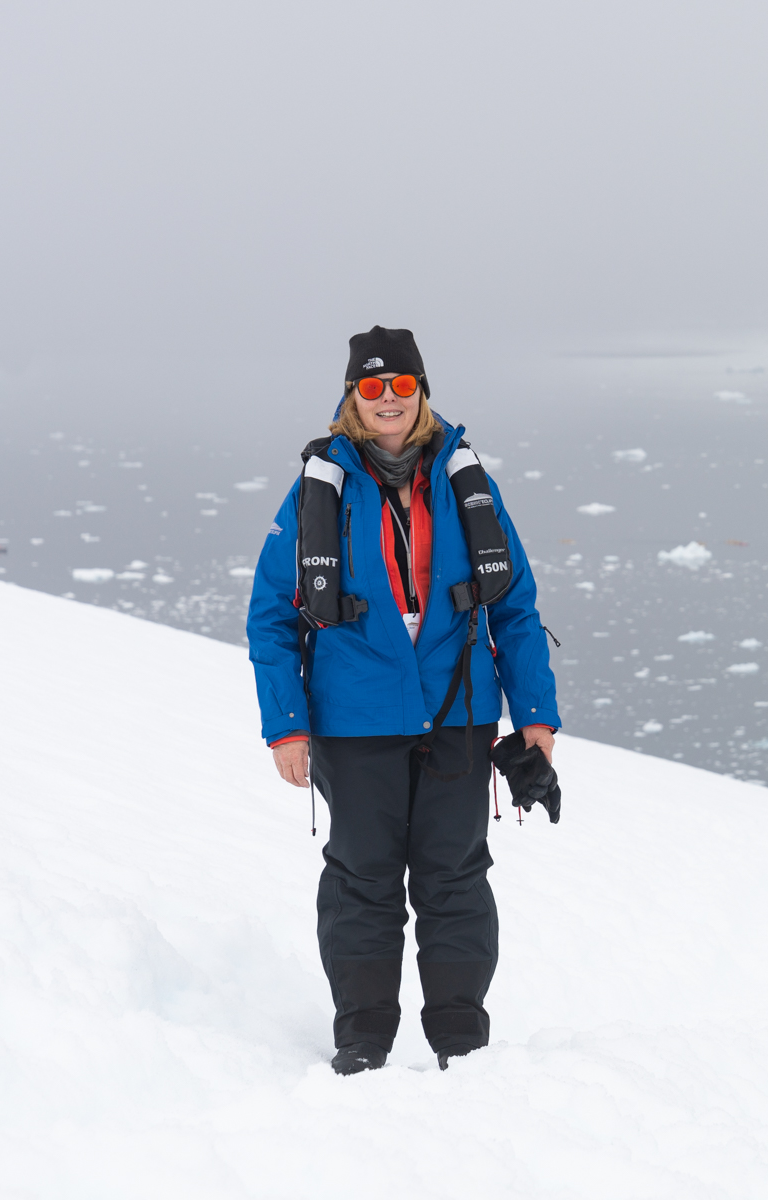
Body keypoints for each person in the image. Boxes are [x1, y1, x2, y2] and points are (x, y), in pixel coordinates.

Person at [246, 327, 560, 1075]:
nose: (388, 400)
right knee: (363, 880)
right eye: (372, 388)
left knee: (455, 879)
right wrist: (286, 726)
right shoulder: (319, 489)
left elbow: (514, 607)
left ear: (422, 389)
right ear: (354, 396)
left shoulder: (465, 481)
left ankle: (460, 1040)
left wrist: (537, 721)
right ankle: (363, 1038)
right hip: (354, 717)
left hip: (458, 712)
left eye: (401, 386)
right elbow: (272, 614)